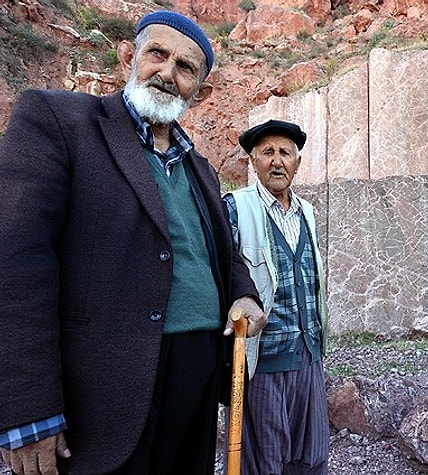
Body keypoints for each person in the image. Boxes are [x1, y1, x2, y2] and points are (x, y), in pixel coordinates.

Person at [0, 11, 267, 475]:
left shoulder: (200, 168)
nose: (167, 73)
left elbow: (221, 253)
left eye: (185, 67)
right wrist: (28, 407)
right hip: (102, 386)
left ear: (199, 92)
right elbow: (14, 261)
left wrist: (244, 290)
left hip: (199, 373)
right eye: (157, 55)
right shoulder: (61, 122)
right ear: (129, 56)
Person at [224, 120, 330, 474]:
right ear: (253, 162)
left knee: (311, 458)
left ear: (297, 162)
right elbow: (224, 268)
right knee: (264, 462)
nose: (277, 161)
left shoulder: (308, 213)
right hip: (263, 361)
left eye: (285, 152)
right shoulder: (237, 207)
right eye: (267, 152)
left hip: (308, 357)